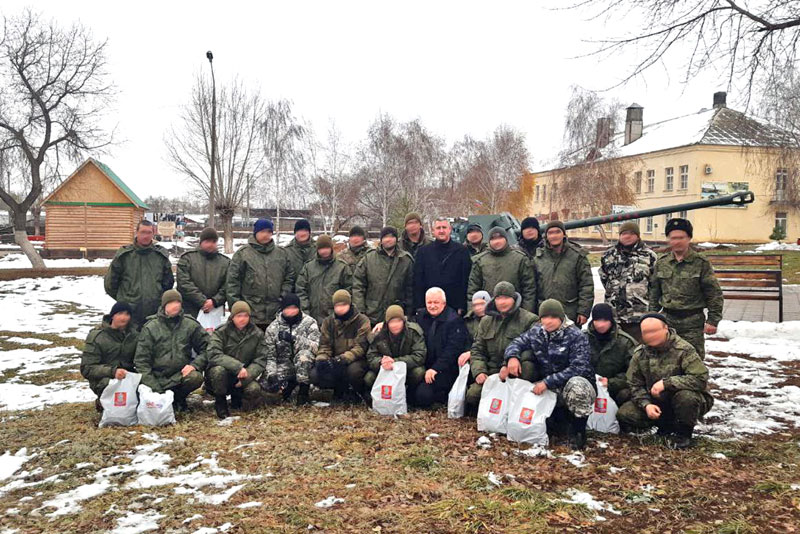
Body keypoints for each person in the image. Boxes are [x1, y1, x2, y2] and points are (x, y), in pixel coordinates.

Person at [504, 299, 596, 450]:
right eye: (545, 317)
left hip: (576, 384)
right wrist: (512, 357)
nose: (549, 321)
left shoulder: (576, 335)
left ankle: (578, 433)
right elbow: (517, 342)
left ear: (561, 318)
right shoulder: (537, 331)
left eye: (553, 317)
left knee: (577, 388)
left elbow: (578, 368)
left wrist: (547, 382)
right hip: (549, 386)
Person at [617, 314, 714, 449]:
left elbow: (700, 379)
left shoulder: (684, 350)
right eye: (647, 332)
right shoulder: (640, 353)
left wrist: (666, 383)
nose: (651, 336)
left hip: (685, 399)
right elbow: (635, 384)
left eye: (655, 331)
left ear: (666, 328)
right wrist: (646, 405)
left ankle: (683, 434)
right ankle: (665, 425)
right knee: (625, 413)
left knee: (686, 397)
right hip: (657, 400)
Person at [648, 218, 723, 360]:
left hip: (692, 323)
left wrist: (713, 320)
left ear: (689, 238)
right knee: (666, 361)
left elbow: (713, 293)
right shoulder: (662, 262)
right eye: (673, 238)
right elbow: (654, 292)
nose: (677, 241)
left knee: (692, 362)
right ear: (669, 240)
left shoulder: (701, 263)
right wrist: (652, 316)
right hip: (668, 321)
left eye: (681, 237)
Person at [465, 281, 539, 409]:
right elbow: (477, 350)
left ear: (514, 299)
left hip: (517, 371)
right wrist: (479, 372)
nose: (502, 302)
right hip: (492, 371)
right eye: (499, 298)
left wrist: (510, 362)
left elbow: (532, 349)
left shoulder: (530, 320)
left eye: (506, 298)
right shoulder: (486, 321)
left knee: (528, 368)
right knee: (472, 396)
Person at [134, 290, 208, 412]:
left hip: (179, 376)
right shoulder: (150, 327)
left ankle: (179, 399)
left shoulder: (190, 324)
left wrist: (194, 365)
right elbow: (141, 362)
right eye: (171, 302)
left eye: (178, 302)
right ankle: (164, 400)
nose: (175, 305)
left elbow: (208, 348)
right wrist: (156, 388)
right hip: (157, 377)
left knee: (195, 377)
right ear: (164, 306)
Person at [191, 301, 267, 419]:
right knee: (218, 371)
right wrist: (237, 367)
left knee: (254, 389)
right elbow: (214, 354)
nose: (243, 319)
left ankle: (238, 397)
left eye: (246, 316)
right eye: (239, 316)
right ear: (232, 317)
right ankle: (220, 402)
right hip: (222, 374)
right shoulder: (221, 332)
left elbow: (260, 359)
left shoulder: (257, 334)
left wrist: (248, 375)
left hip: (243, 374)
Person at [226, 218, 295, 330]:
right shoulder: (242, 254)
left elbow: (289, 277)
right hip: (250, 313)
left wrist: (283, 295)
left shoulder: (282, 254)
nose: (265, 235)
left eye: (269, 232)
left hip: (275, 313)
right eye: (262, 231)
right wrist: (237, 309)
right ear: (256, 232)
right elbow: (232, 283)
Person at [105, 220, 174, 329]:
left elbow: (168, 283)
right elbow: (110, 284)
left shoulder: (160, 257)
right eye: (143, 232)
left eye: (149, 232)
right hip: (129, 313)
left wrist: (157, 298)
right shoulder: (124, 256)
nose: (146, 236)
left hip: (154, 312)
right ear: (136, 232)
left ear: (153, 234)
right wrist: (125, 299)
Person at [599, 221, 657, 343]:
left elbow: (655, 284)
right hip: (614, 316)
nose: (627, 236)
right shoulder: (609, 256)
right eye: (624, 233)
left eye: (631, 233)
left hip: (639, 316)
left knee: (638, 351)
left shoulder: (649, 256)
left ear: (638, 235)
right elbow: (604, 278)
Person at [412, 288, 469, 408]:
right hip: (424, 365)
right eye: (429, 302)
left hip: (444, 369)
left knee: (423, 396)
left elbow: (452, 351)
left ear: (444, 303)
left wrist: (435, 369)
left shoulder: (454, 321)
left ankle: (441, 397)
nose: (432, 306)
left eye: (436, 302)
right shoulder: (420, 316)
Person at [260, 293, 321, 406]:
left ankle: (303, 393)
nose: (291, 311)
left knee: (304, 356)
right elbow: (270, 356)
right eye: (288, 308)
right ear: (282, 309)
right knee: (266, 386)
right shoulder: (273, 328)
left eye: (294, 308)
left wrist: (294, 339)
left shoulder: (309, 323)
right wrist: (272, 375)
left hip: (305, 365)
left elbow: (316, 347)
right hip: (284, 365)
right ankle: (290, 385)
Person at [311, 290, 371, 403]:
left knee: (353, 371)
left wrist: (343, 358)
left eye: (343, 305)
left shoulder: (362, 321)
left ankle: (358, 392)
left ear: (350, 304)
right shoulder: (328, 322)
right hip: (334, 359)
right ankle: (338, 392)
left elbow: (361, 347)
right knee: (315, 374)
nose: (340, 308)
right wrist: (322, 359)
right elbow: (325, 345)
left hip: (357, 360)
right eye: (337, 305)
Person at [532, 221, 594, 325]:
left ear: (564, 234)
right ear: (546, 236)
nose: (554, 236)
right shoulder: (539, 258)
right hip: (544, 313)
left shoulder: (577, 256)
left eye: (557, 232)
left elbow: (586, 285)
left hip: (570, 312)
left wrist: (583, 311)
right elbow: (532, 287)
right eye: (550, 233)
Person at [80, 302, 138, 411]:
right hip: (105, 378)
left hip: (128, 377)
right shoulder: (97, 336)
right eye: (120, 313)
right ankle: (103, 401)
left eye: (127, 314)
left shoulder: (134, 335)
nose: (124, 317)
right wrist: (112, 372)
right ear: (112, 316)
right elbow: (86, 368)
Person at [352, 226, 414, 326]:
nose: (388, 239)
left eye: (392, 236)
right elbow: (358, 285)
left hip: (396, 315)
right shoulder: (369, 258)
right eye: (385, 237)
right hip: (372, 315)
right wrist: (361, 312)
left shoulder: (406, 260)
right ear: (381, 240)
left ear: (396, 239)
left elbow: (410, 289)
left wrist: (408, 313)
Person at [365, 305, 426, 403]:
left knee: (419, 372)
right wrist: (381, 362)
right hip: (385, 370)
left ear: (403, 321)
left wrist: (395, 362)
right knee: (369, 378)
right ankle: (379, 398)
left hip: (406, 369)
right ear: (387, 323)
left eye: (398, 321)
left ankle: (409, 396)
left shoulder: (413, 332)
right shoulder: (378, 334)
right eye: (392, 322)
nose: (395, 325)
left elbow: (419, 355)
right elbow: (371, 356)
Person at [468, 226, 536, 312]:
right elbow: (472, 289)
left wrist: (526, 312)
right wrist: (472, 311)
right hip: (488, 312)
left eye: (500, 237)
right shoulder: (480, 261)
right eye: (493, 238)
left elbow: (529, 289)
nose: (497, 241)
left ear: (506, 239)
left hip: (515, 311)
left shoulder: (520, 259)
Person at [413, 217, 472, 315]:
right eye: (438, 228)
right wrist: (420, 307)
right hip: (430, 307)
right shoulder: (423, 252)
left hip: (454, 307)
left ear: (450, 229)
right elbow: (418, 281)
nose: (441, 231)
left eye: (444, 227)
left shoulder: (461, 251)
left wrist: (462, 305)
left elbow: (465, 280)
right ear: (433, 231)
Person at [586, 303, 637, 405]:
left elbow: (634, 373)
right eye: (597, 320)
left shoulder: (626, 342)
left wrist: (610, 383)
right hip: (587, 386)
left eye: (605, 320)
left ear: (611, 321)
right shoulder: (582, 338)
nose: (601, 324)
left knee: (626, 394)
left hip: (613, 388)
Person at [296, 234, 352, 325]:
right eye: (321, 248)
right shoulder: (308, 267)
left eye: (326, 248)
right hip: (312, 318)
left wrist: (341, 312)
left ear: (331, 248)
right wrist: (305, 312)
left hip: (335, 319)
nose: (324, 251)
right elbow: (301, 290)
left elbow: (348, 291)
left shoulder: (342, 267)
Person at [176, 227, 230, 320]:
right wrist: (202, 301)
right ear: (201, 242)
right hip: (191, 310)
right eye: (207, 241)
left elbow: (229, 285)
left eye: (214, 241)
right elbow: (184, 283)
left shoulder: (226, 262)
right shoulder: (188, 259)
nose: (211, 244)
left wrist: (214, 301)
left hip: (215, 311)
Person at [284, 219, 316, 288]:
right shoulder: (286, 251)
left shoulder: (318, 249)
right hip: (293, 292)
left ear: (309, 232)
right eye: (300, 230)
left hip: (314, 290)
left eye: (305, 230)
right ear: (295, 233)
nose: (303, 233)